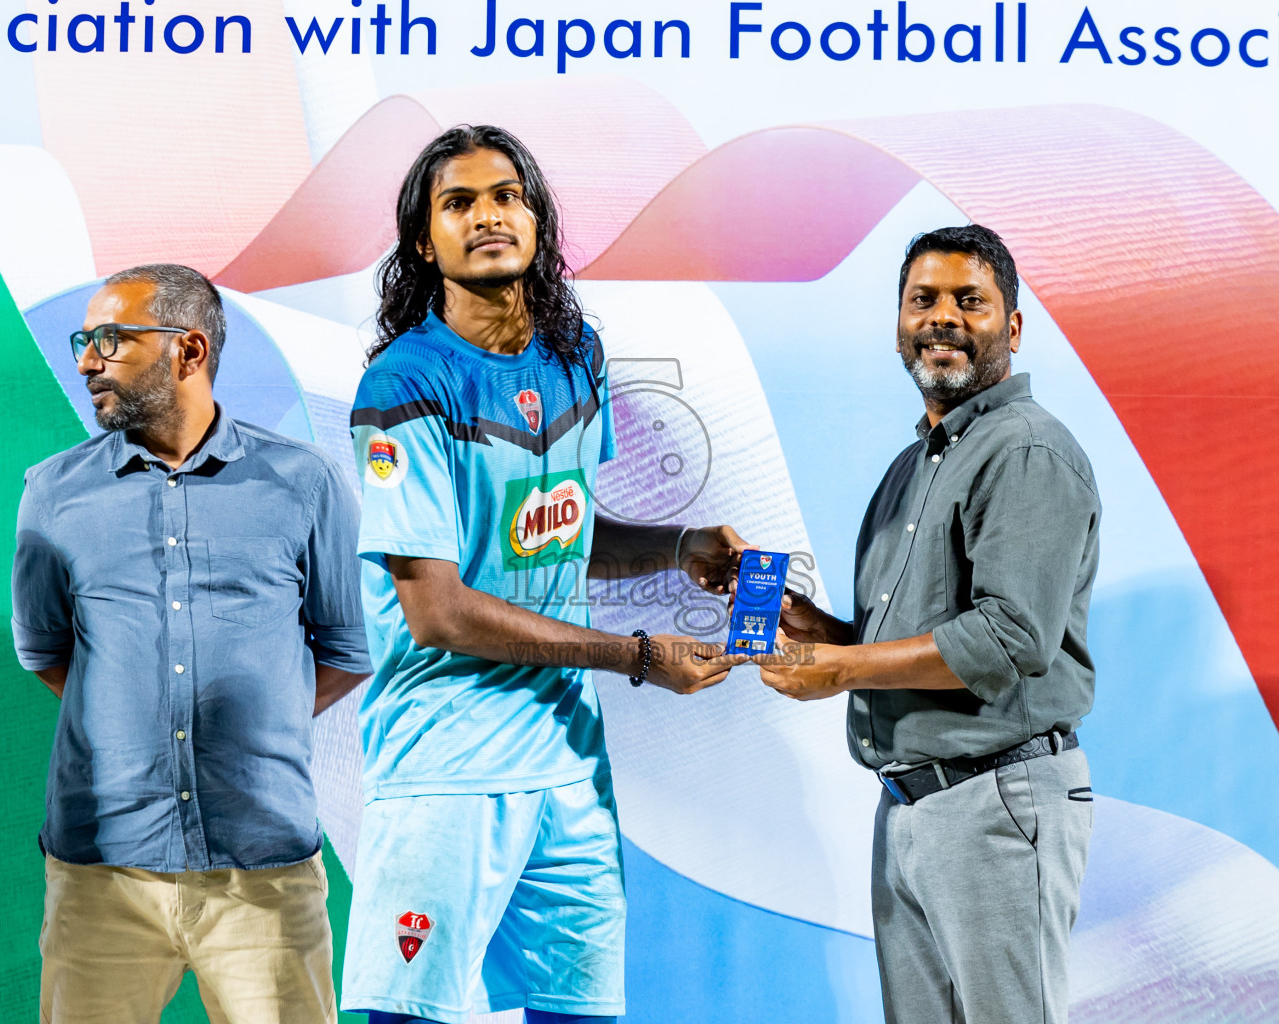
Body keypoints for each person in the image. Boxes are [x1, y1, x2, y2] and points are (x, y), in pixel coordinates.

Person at [343, 125, 750, 1024]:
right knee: (411, 1015)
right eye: (459, 203)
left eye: (506, 196)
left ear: (538, 220)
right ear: (424, 241)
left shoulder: (577, 360)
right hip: (447, 762)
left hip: (568, 761)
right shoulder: (406, 384)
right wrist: (636, 654)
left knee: (581, 1013)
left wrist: (679, 547)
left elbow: (556, 534)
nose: (488, 216)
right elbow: (439, 610)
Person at [10, 264, 373, 1024]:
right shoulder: (52, 492)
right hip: (102, 873)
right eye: (84, 341)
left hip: (264, 870)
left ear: (189, 349)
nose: (86, 362)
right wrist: (136, 716)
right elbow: (49, 654)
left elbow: (342, 650)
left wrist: (253, 727)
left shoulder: (304, 483)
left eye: (110, 339)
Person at [755, 225, 1099, 1024]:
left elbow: (1009, 639)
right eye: (923, 300)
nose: (942, 317)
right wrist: (815, 629)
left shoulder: (1026, 452)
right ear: (899, 323)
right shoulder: (915, 466)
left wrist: (838, 671)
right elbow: (901, 647)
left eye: (969, 301)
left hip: (997, 799)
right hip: (912, 808)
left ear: (1011, 328)